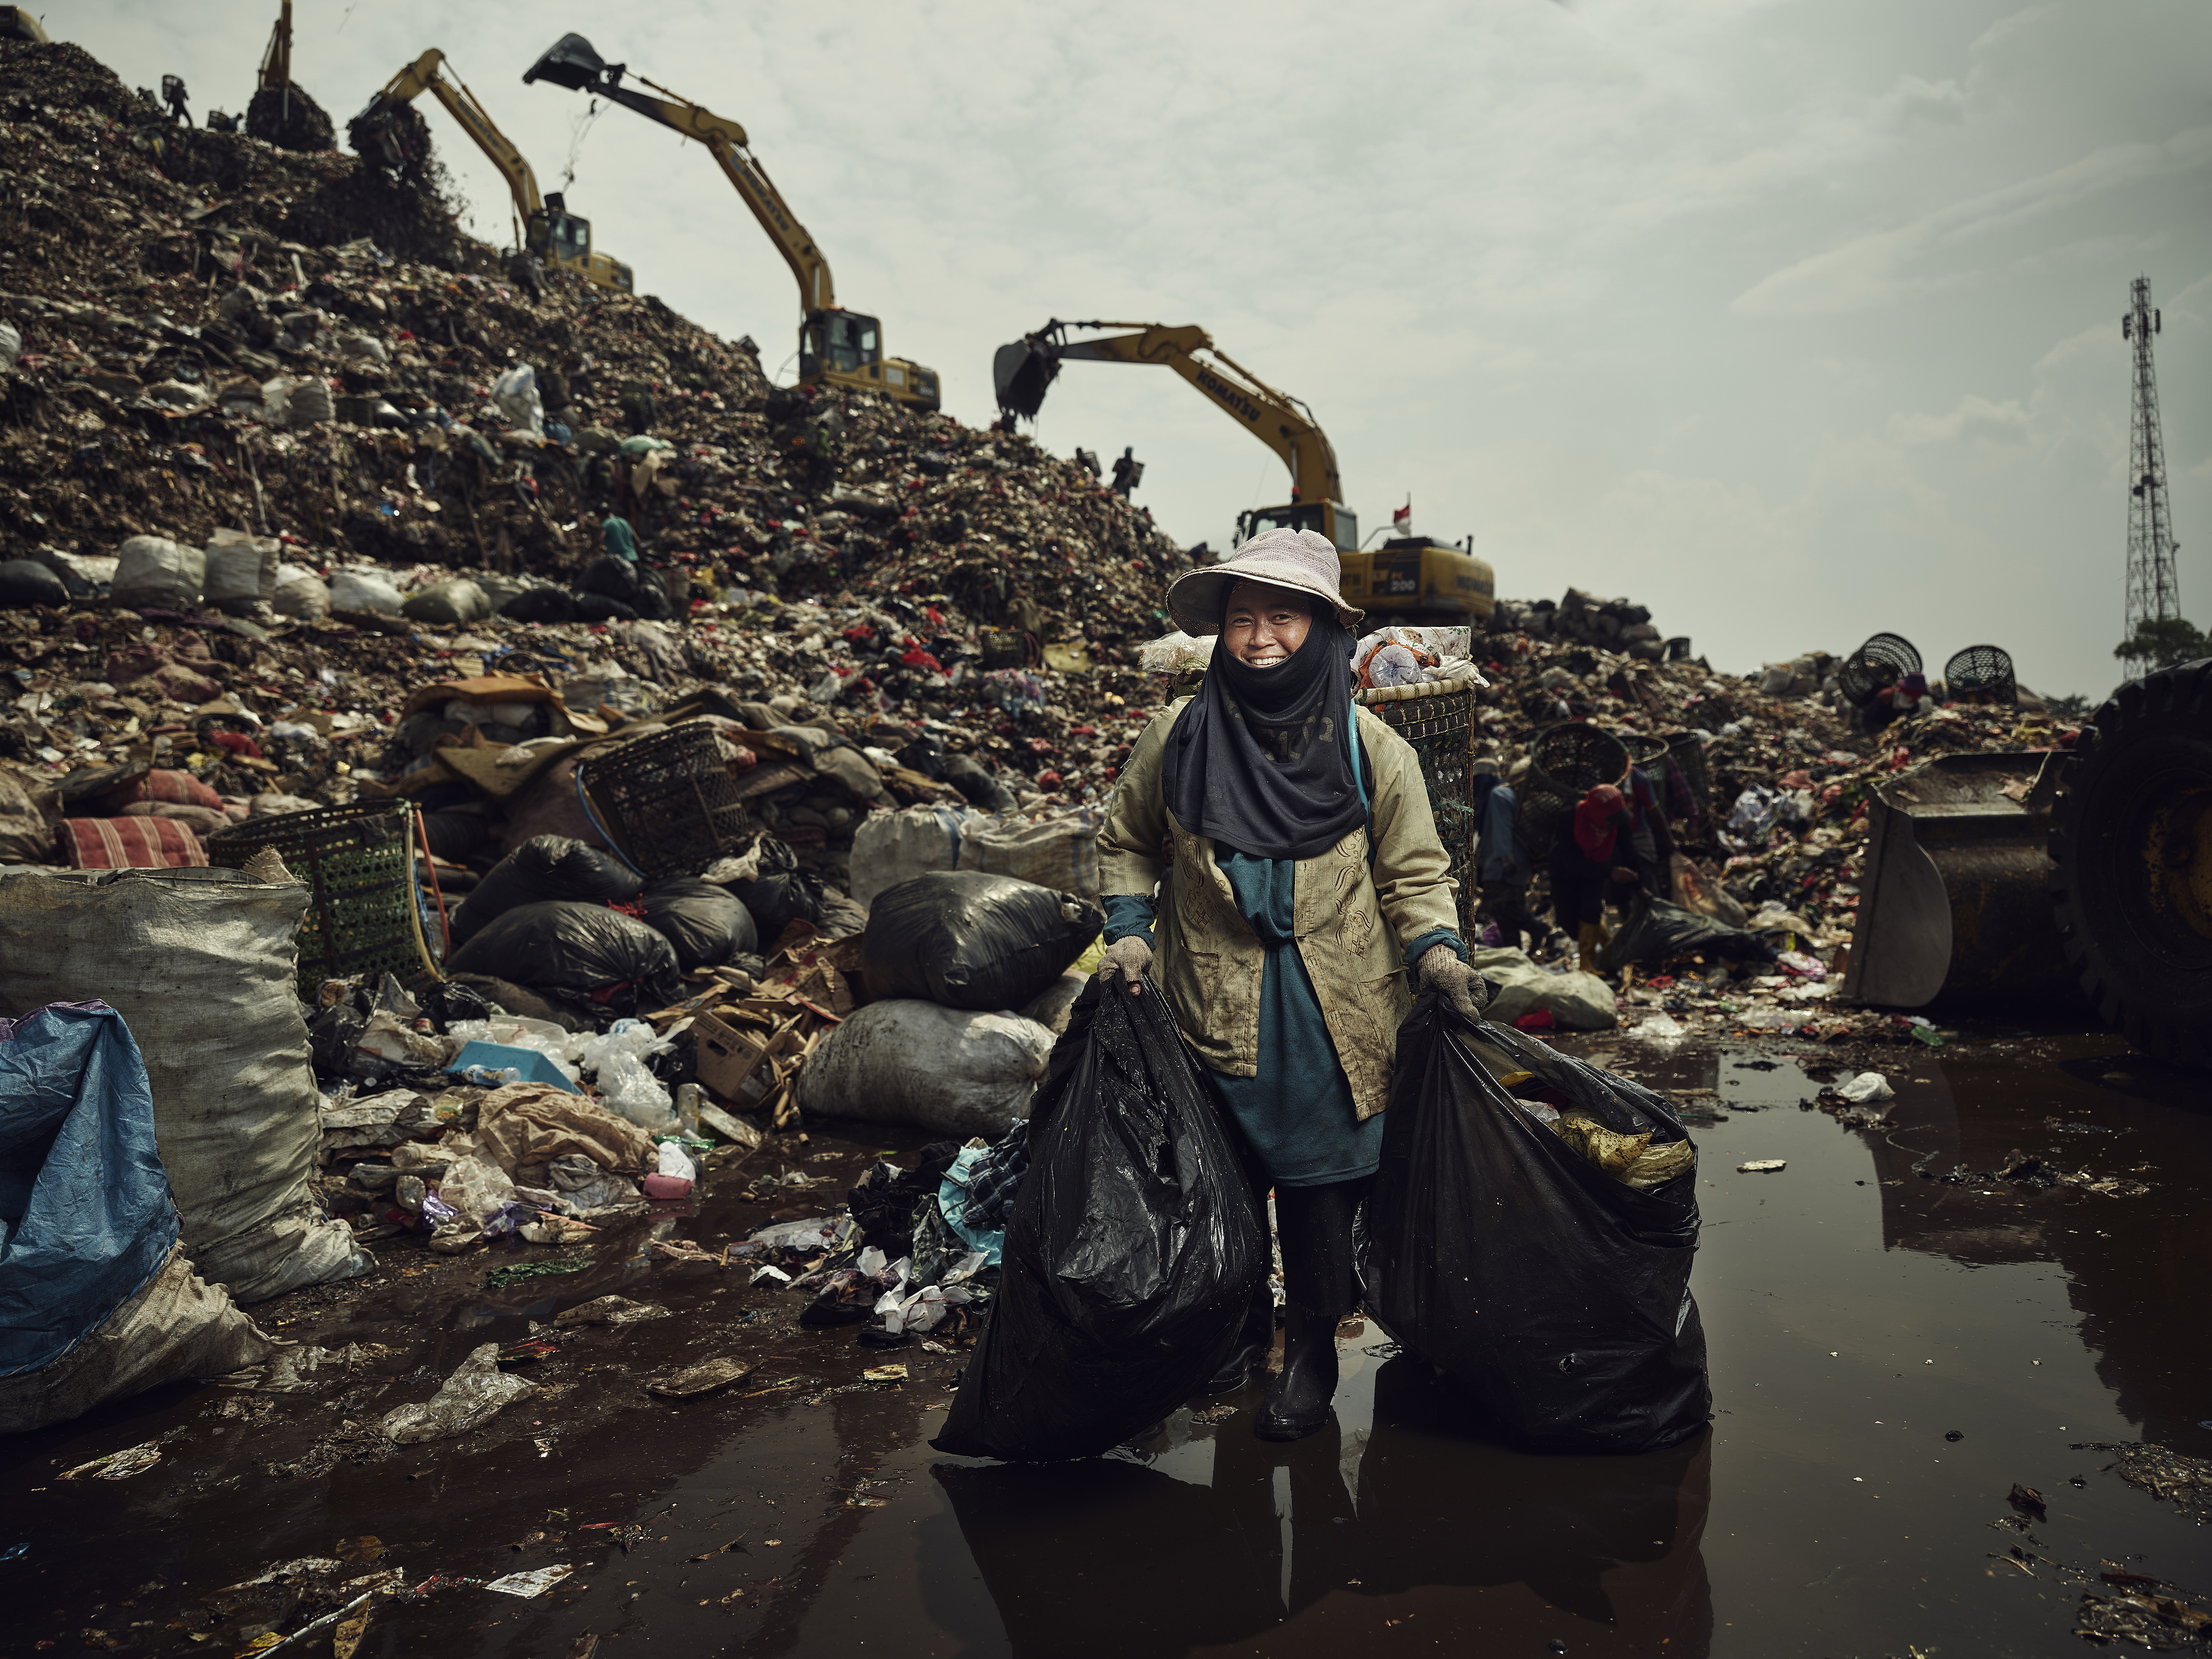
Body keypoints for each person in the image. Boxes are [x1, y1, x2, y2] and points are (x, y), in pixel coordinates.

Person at [1095, 528, 1487, 1443]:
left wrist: (1436, 948)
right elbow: (1124, 842)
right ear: (1219, 634)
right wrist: (1127, 933)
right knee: (1220, 1190)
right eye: (1242, 619)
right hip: (1209, 1007)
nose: (1261, 638)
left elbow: (1417, 870)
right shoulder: (1174, 736)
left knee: (1318, 1201)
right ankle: (1236, 1338)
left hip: (1329, 1017)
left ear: (1321, 631)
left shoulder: (1371, 748)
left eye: (1283, 617)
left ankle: (1310, 1356)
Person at [1550, 782, 1647, 974]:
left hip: (1598, 865)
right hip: (1566, 870)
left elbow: (1629, 851)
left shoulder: (1617, 823)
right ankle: (1606, 942)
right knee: (1568, 919)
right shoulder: (1570, 815)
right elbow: (1571, 860)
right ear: (1597, 813)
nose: (1612, 825)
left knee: (1591, 908)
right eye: (1610, 820)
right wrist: (1611, 873)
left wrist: (1639, 887)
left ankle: (1588, 964)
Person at [1471, 768, 1540, 951]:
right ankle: (1515, 952)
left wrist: (1506, 859)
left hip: (1504, 863)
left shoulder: (1496, 795)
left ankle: (1538, 928)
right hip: (1513, 860)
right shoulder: (1504, 792)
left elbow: (1502, 829)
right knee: (1509, 910)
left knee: (1496, 905)